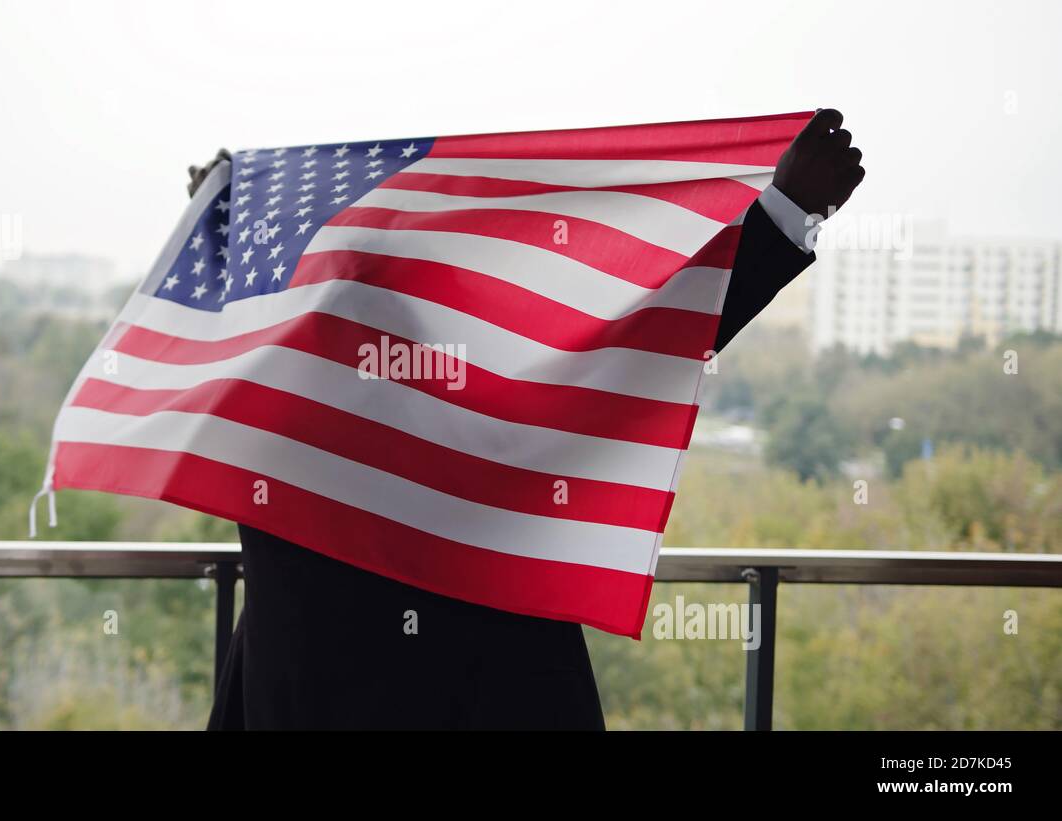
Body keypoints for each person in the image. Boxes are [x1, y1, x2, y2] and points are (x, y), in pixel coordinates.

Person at [187, 109, 864, 729]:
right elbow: (647, 349)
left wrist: (214, 227)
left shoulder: (265, 409)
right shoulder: (477, 412)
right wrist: (787, 214)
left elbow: (225, 322)